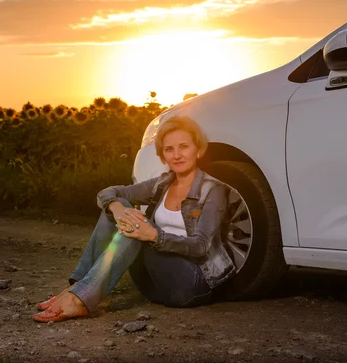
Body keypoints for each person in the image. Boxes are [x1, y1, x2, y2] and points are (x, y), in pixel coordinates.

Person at [32, 115, 248, 323]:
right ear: (163, 155)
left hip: (189, 284)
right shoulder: (161, 184)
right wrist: (117, 209)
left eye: (184, 146)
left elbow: (200, 246)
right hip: (153, 284)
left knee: (136, 225)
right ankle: (77, 288)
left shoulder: (213, 190)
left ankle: (80, 298)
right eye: (169, 149)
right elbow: (107, 193)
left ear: (198, 150)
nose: (177, 155)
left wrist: (154, 235)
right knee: (122, 211)